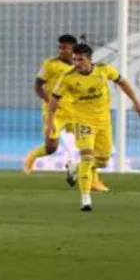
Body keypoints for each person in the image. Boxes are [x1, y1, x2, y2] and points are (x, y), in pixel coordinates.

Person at [49, 44, 140, 211]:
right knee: (87, 157)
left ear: (89, 59)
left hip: (103, 122)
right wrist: (50, 121)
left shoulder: (104, 70)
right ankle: (85, 199)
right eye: (74, 59)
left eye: (80, 59)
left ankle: (75, 168)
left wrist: (136, 101)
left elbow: (122, 83)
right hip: (82, 121)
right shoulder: (67, 77)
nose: (77, 63)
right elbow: (54, 98)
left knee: (102, 161)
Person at [22, 35, 83, 180]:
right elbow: (38, 86)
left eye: (65, 48)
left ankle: (77, 171)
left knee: (88, 144)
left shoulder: (80, 66)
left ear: (73, 49)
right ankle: (32, 156)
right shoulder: (50, 64)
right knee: (51, 148)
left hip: (75, 110)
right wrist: (47, 99)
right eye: (60, 47)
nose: (61, 51)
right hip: (54, 112)